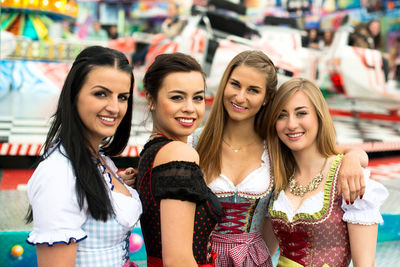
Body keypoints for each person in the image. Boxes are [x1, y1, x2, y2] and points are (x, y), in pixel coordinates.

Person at [194, 50, 368, 266]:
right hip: (200, 259)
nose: (240, 97)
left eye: (253, 90)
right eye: (235, 85)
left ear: (267, 98)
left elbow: (327, 151)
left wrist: (353, 157)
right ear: (224, 84)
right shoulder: (196, 143)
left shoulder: (276, 148)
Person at [26, 46, 142, 267]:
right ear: (73, 94)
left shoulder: (99, 160)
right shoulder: (58, 173)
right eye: (101, 94)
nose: (114, 108)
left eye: (123, 97)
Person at [264, 78, 388, 266]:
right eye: (282, 115)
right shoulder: (277, 175)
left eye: (301, 113)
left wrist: (353, 157)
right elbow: (264, 251)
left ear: (319, 116)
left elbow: (364, 264)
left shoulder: (347, 176)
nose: (291, 124)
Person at [136, 52, 224, 267]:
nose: (190, 108)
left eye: (198, 98)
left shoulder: (153, 152)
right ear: (151, 100)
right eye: (177, 97)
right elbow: (178, 260)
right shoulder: (179, 154)